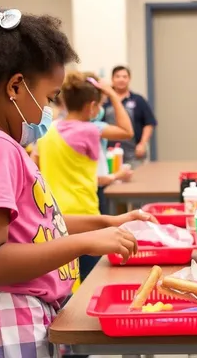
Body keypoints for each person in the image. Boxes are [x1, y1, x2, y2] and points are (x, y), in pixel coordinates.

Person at [0, 0, 156, 357]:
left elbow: (34, 225)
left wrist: (104, 222)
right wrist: (84, 245)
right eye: (48, 98)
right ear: (15, 87)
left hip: (6, 315)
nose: (48, 111)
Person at [36, 71, 135, 288]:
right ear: (91, 106)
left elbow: (35, 165)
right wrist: (111, 93)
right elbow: (127, 131)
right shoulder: (90, 130)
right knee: (91, 282)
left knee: (65, 281)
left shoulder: (46, 132)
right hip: (85, 216)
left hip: (54, 217)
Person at [103, 65, 157, 167]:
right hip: (109, 153)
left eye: (124, 77)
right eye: (118, 76)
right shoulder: (104, 101)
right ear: (112, 79)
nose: (121, 79)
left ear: (129, 79)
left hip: (133, 154)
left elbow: (149, 123)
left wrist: (142, 144)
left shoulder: (138, 100)